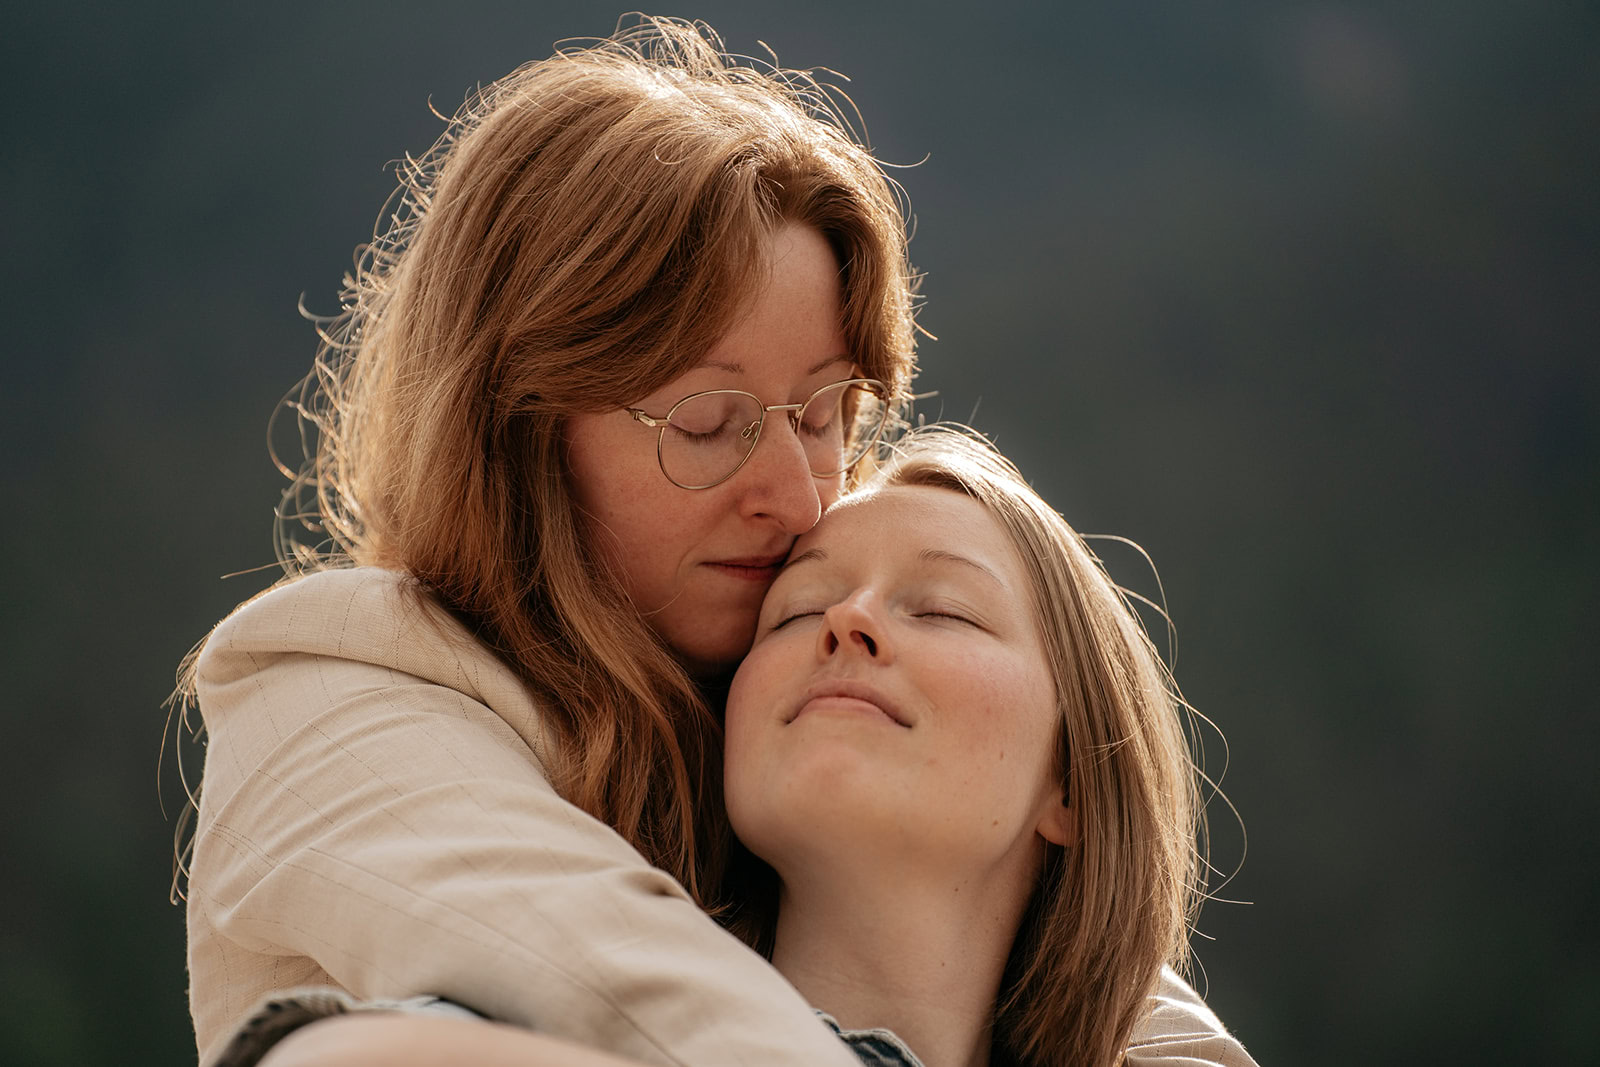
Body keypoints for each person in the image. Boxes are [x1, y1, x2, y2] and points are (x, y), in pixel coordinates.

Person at [175, 15, 1251, 1067]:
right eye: (706, 422)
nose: (796, 496)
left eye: (828, 412)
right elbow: (628, 983)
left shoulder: (803, 695)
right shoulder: (333, 690)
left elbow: (1088, 964)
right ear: (517, 442)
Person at [237, 429, 1257, 1067]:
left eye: (941, 609)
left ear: (1073, 781)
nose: (846, 620)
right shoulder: (496, 1031)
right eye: (795, 605)